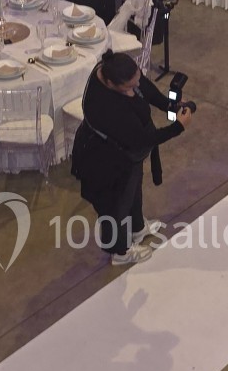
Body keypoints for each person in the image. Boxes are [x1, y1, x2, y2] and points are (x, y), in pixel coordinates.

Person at [70, 50, 193, 266]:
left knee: (132, 190)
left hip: (125, 155)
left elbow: (143, 86)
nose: (135, 89)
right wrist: (178, 127)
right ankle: (120, 252)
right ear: (111, 84)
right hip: (104, 161)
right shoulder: (107, 109)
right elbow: (142, 139)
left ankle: (137, 229)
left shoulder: (112, 68)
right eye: (129, 87)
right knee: (115, 207)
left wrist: (168, 105)